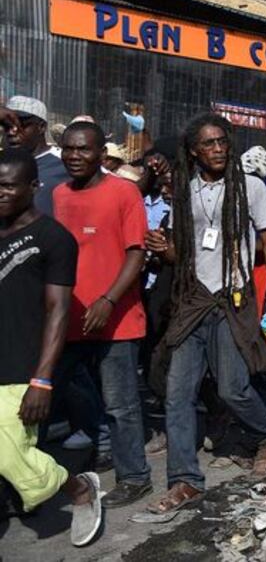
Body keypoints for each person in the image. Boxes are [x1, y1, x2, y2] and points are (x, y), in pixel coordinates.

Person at [143, 114, 266, 513]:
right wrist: (163, 247)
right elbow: (185, 253)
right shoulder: (185, 191)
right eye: (208, 143)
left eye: (223, 141)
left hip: (232, 299)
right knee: (177, 394)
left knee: (232, 388)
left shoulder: (250, 187)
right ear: (193, 151)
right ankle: (185, 480)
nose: (219, 148)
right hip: (192, 301)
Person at [0, 149, 102, 546]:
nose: (1, 193)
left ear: (33, 187)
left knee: (10, 451)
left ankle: (78, 489)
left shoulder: (53, 238)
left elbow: (59, 310)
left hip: (21, 365)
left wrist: (42, 379)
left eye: (9, 186)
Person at [52, 121, 152, 507]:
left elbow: (136, 254)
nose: (74, 156)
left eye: (83, 150)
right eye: (68, 149)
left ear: (100, 155)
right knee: (53, 391)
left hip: (118, 320)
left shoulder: (124, 193)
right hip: (69, 319)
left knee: (121, 403)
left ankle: (134, 476)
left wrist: (108, 300)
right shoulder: (60, 194)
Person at [2, 96, 68, 216]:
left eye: (22, 125)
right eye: (7, 126)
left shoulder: (66, 163)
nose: (12, 132)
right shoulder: (3, 162)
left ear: (41, 127)